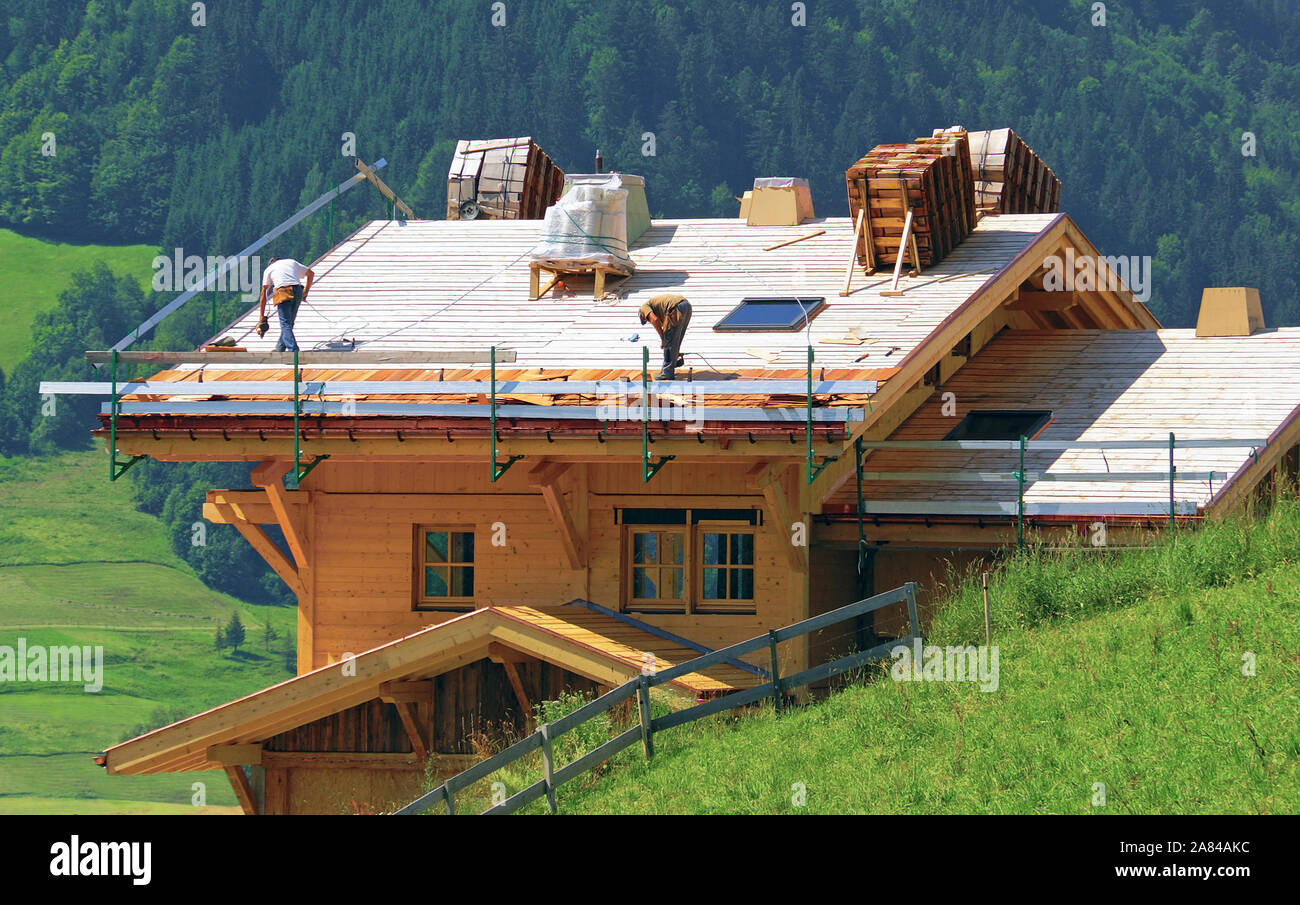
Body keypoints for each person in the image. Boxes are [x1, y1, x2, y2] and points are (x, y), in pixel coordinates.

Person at [257, 257, 315, 352]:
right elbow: (311, 274)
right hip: (298, 290)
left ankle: (294, 351)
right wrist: (305, 292)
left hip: (283, 292)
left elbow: (264, 293)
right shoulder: (291, 262)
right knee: (289, 323)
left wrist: (261, 316)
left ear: (271, 263)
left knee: (285, 324)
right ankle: (280, 348)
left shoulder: (269, 269)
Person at [639, 294, 691, 379]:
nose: (648, 320)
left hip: (676, 308)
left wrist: (663, 339)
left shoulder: (643, 309)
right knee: (675, 340)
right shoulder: (658, 308)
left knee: (668, 341)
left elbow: (654, 320)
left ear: (642, 315)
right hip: (686, 306)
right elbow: (660, 323)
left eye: (646, 319)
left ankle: (667, 372)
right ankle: (672, 364)